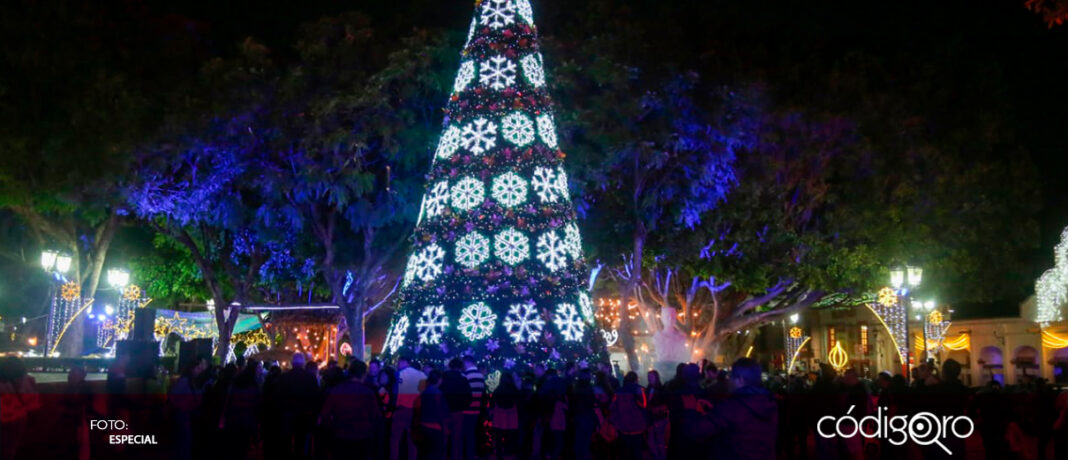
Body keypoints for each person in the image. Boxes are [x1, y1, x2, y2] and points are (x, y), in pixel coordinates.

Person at [698, 358, 778, 460]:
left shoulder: (732, 406)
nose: (729, 380)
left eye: (731, 377)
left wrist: (690, 409)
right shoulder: (770, 402)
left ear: (740, 380)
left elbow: (698, 430)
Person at [320, 360, 382, 460]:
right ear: (363, 375)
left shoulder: (336, 391)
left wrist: (332, 428)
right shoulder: (369, 393)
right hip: (362, 438)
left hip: (340, 436)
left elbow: (325, 414)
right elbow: (376, 416)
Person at [277, 352, 320, 459]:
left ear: (292, 363)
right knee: (300, 439)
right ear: (303, 363)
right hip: (304, 413)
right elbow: (315, 396)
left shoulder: (284, 376)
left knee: (286, 438)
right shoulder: (310, 377)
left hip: (288, 412)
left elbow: (279, 395)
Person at [169, 355, 207, 460]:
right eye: (198, 368)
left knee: (184, 441)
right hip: (182, 414)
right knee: (184, 441)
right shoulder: (185, 381)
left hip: (185, 413)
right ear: (192, 369)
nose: (199, 371)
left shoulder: (190, 381)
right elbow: (174, 395)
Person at [222, 360, 260, 460]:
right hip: (246, 421)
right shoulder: (254, 387)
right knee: (242, 446)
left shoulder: (235, 384)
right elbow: (256, 407)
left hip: (233, 419)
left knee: (233, 447)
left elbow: (228, 401)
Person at [391, 356, 426, 460]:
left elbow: (395, 393)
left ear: (403, 362)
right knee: (412, 441)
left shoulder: (399, 374)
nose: (397, 365)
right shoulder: (422, 375)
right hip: (415, 411)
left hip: (400, 410)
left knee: (395, 441)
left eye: (399, 362)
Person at [611, 372, 648, 460]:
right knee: (637, 452)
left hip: (623, 427)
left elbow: (612, 406)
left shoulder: (618, 391)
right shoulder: (639, 389)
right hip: (637, 427)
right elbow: (644, 404)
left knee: (625, 453)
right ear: (636, 379)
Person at [441, 358, 472, 460]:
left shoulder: (443, 378)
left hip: (444, 411)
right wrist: (462, 407)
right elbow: (468, 397)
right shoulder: (463, 379)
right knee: (456, 440)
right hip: (458, 412)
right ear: (460, 367)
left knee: (443, 439)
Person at [419, 369, 449, 460]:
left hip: (424, 425)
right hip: (435, 426)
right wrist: (445, 427)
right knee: (436, 453)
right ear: (439, 379)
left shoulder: (424, 392)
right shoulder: (438, 393)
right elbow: (441, 412)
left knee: (427, 453)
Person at [490, 371, 521, 460]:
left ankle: (499, 454)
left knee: (499, 436)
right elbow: (518, 400)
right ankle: (511, 452)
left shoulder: (498, 389)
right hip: (512, 415)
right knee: (511, 435)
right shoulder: (514, 389)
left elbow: (493, 402)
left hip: (499, 414)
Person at [461, 355, 485, 460]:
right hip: (476, 410)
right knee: (471, 435)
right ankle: (471, 455)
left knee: (463, 436)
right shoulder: (481, 376)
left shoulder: (466, 375)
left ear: (466, 362)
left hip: (465, 410)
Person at [645, 370, 669, 460]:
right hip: (652, 418)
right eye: (648, 377)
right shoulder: (648, 388)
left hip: (660, 418)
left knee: (659, 441)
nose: (649, 379)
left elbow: (665, 404)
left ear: (656, 378)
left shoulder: (661, 389)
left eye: (651, 377)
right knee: (652, 441)